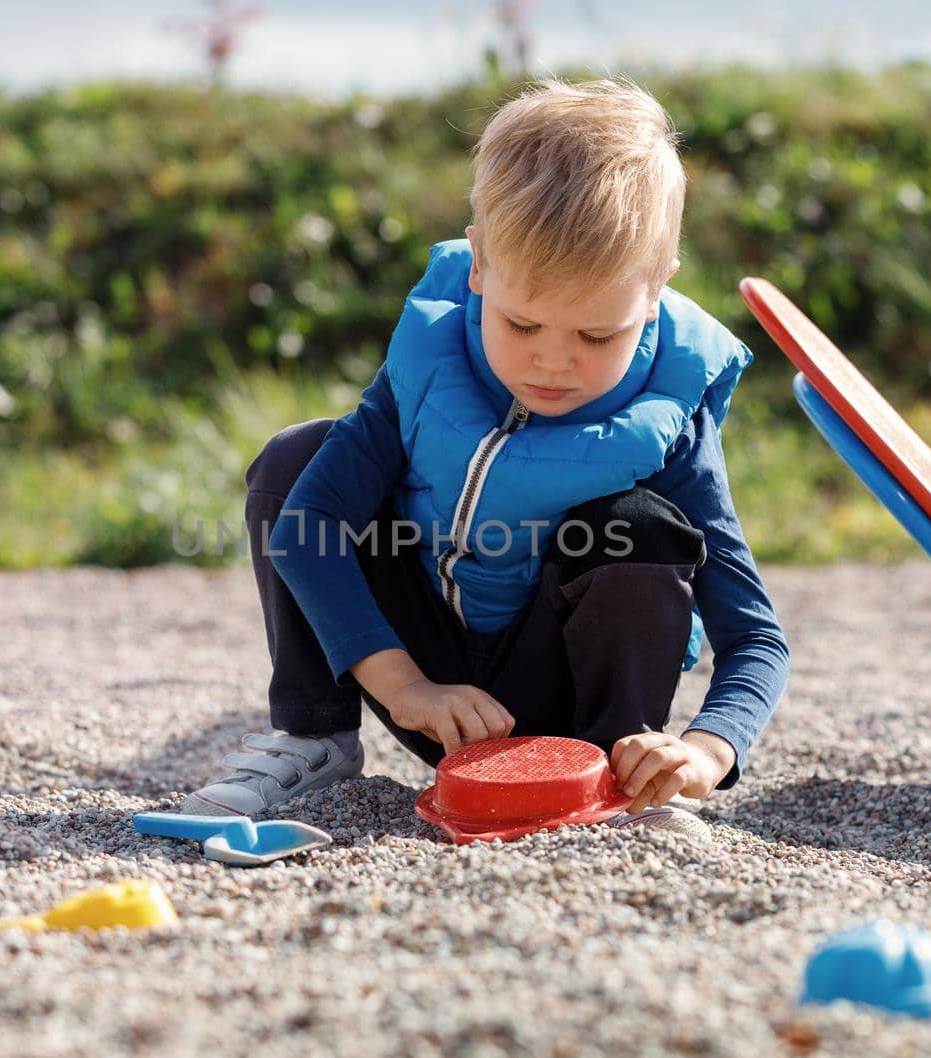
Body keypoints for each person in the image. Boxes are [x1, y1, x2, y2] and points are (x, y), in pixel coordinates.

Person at [183, 77, 789, 830]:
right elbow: (311, 521)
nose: (552, 362)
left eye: (597, 335)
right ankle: (314, 737)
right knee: (294, 460)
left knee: (644, 522)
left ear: (656, 288)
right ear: (478, 266)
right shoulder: (428, 360)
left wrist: (705, 748)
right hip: (433, 692)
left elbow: (757, 637)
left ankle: (611, 788)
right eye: (523, 323)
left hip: (575, 696)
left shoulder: (670, 409)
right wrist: (406, 689)